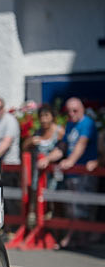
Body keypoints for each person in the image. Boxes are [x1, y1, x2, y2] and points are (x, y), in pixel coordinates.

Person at [38, 97, 99, 247]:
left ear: (82, 109)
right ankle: (75, 238)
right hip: (71, 174)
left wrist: (70, 161)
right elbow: (62, 147)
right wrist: (48, 158)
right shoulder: (70, 124)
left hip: (84, 172)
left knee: (83, 208)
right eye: (69, 111)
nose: (71, 114)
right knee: (71, 208)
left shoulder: (87, 123)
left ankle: (79, 239)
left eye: (75, 110)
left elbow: (81, 144)